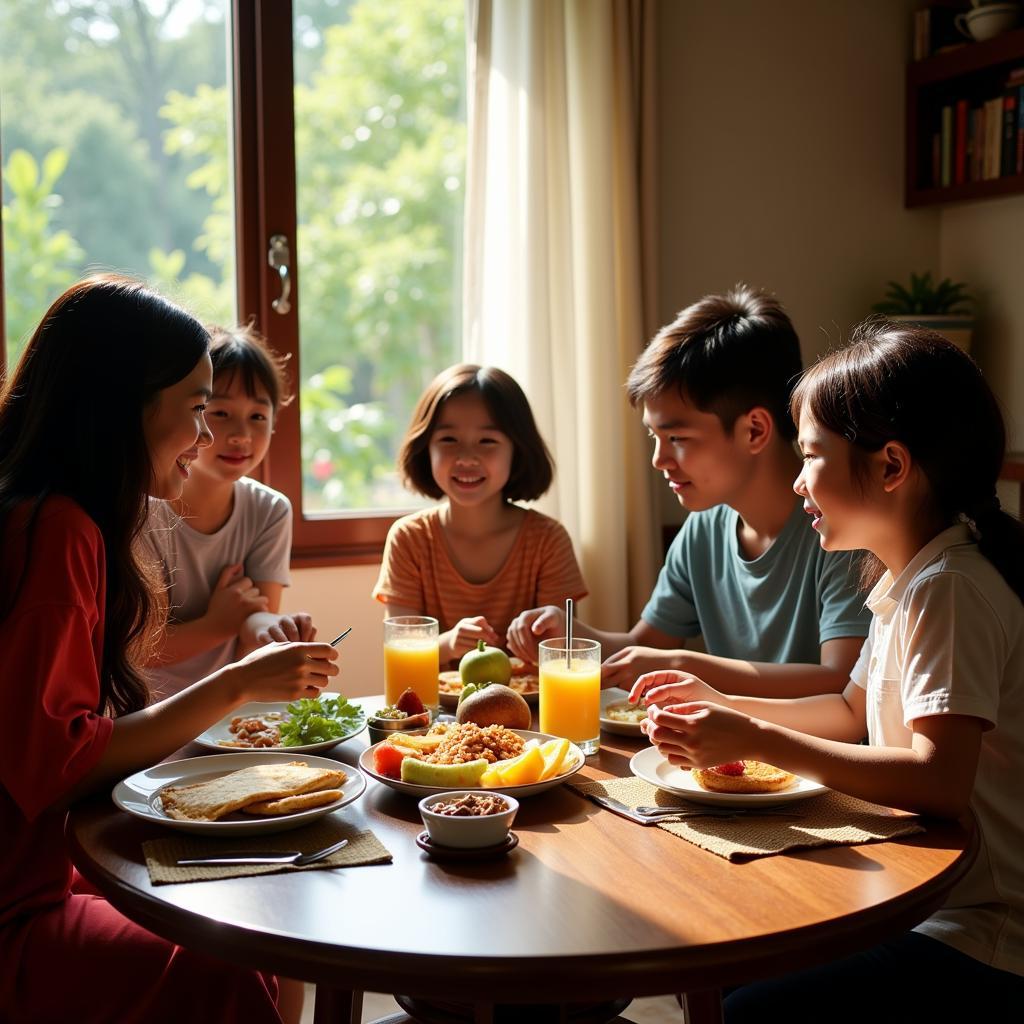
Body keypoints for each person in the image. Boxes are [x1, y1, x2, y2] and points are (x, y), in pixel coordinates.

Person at [633, 323, 1024, 1020]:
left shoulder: (950, 588)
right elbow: (849, 710)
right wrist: (718, 706)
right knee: (726, 954)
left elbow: (940, 780)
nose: (795, 478)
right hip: (927, 897)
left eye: (811, 456)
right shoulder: (907, 578)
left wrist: (755, 740)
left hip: (980, 932)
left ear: (891, 467)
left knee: (751, 1002)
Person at [0, 276, 339, 1024]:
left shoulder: (57, 515)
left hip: (47, 867)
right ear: (125, 405)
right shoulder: (56, 533)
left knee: (255, 904)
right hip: (17, 908)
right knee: (227, 959)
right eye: (197, 411)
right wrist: (237, 683)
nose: (207, 439)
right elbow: (48, 764)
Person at [507, 286, 870, 695]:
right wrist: (572, 635)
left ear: (754, 430)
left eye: (677, 437)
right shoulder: (702, 531)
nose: (659, 460)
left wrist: (682, 664)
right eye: (654, 437)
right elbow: (644, 648)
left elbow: (839, 682)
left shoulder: (842, 534)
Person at [142, 323, 316, 699]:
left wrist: (275, 628)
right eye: (220, 413)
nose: (242, 435)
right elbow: (137, 650)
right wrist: (219, 623)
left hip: (227, 715)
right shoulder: (145, 510)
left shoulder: (270, 510)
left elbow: (251, 629)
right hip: (146, 713)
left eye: (258, 417)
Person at [373, 363, 587, 665]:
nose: (466, 458)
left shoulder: (547, 539)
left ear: (518, 450)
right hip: (435, 710)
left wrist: (539, 640)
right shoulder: (409, 538)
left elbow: (562, 656)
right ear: (426, 448)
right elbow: (400, 650)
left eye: (487, 441)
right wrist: (449, 643)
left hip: (530, 708)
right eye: (449, 440)